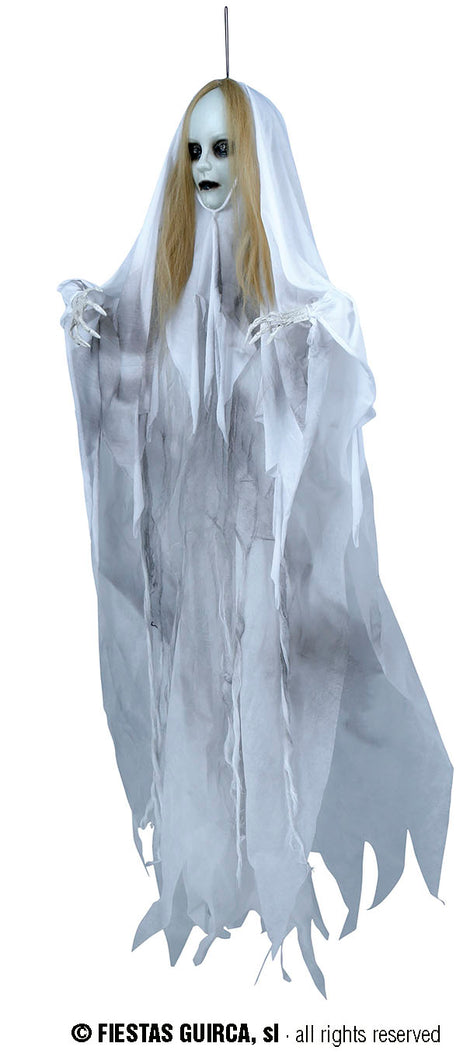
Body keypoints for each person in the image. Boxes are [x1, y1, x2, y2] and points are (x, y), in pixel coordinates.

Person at [58, 78, 452, 995]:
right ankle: (205, 878)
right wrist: (92, 332)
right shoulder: (167, 297)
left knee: (272, 697)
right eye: (194, 151)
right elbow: (128, 376)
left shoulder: (302, 304)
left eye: (223, 148)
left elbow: (336, 356)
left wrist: (299, 343)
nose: (205, 166)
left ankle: (278, 865)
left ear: (257, 159)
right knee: (196, 702)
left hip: (264, 558)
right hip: (190, 561)